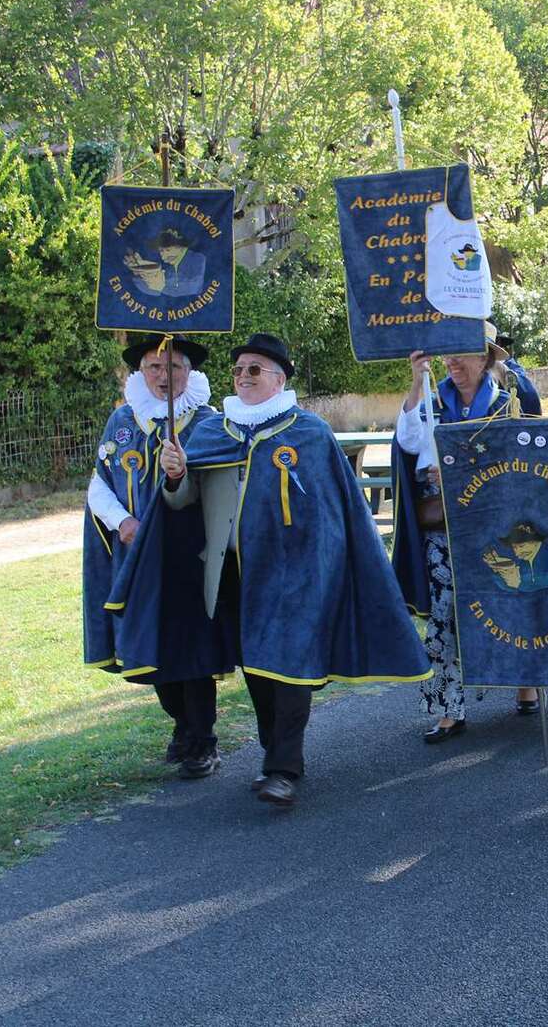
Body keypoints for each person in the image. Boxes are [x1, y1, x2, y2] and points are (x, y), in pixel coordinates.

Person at [140, 333, 429, 808]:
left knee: (289, 661)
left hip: (297, 575)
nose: (243, 377)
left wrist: (325, 564)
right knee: (258, 666)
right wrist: (174, 473)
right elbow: (182, 501)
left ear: (279, 378)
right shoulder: (211, 433)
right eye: (238, 371)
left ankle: (283, 769)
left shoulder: (309, 433)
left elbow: (338, 511)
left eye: (254, 369)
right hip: (234, 573)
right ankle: (274, 749)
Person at [83, 334, 227, 779]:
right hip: (136, 557)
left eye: (175, 367)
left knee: (191, 651)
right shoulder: (122, 422)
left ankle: (203, 740)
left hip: (189, 559)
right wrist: (123, 522)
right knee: (151, 645)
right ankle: (181, 725)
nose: (165, 377)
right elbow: (98, 483)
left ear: (191, 372)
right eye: (154, 368)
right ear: (142, 372)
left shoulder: (207, 423)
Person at [391, 324, 538, 743]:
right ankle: (447, 709)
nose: (452, 362)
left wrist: (466, 471)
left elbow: (522, 468)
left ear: (485, 358)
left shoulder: (508, 405)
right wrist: (417, 383)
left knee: (509, 608)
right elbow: (408, 443)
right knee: (444, 618)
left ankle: (524, 684)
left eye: (461, 354)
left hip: (495, 528)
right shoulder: (433, 401)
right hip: (445, 529)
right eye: (447, 355)